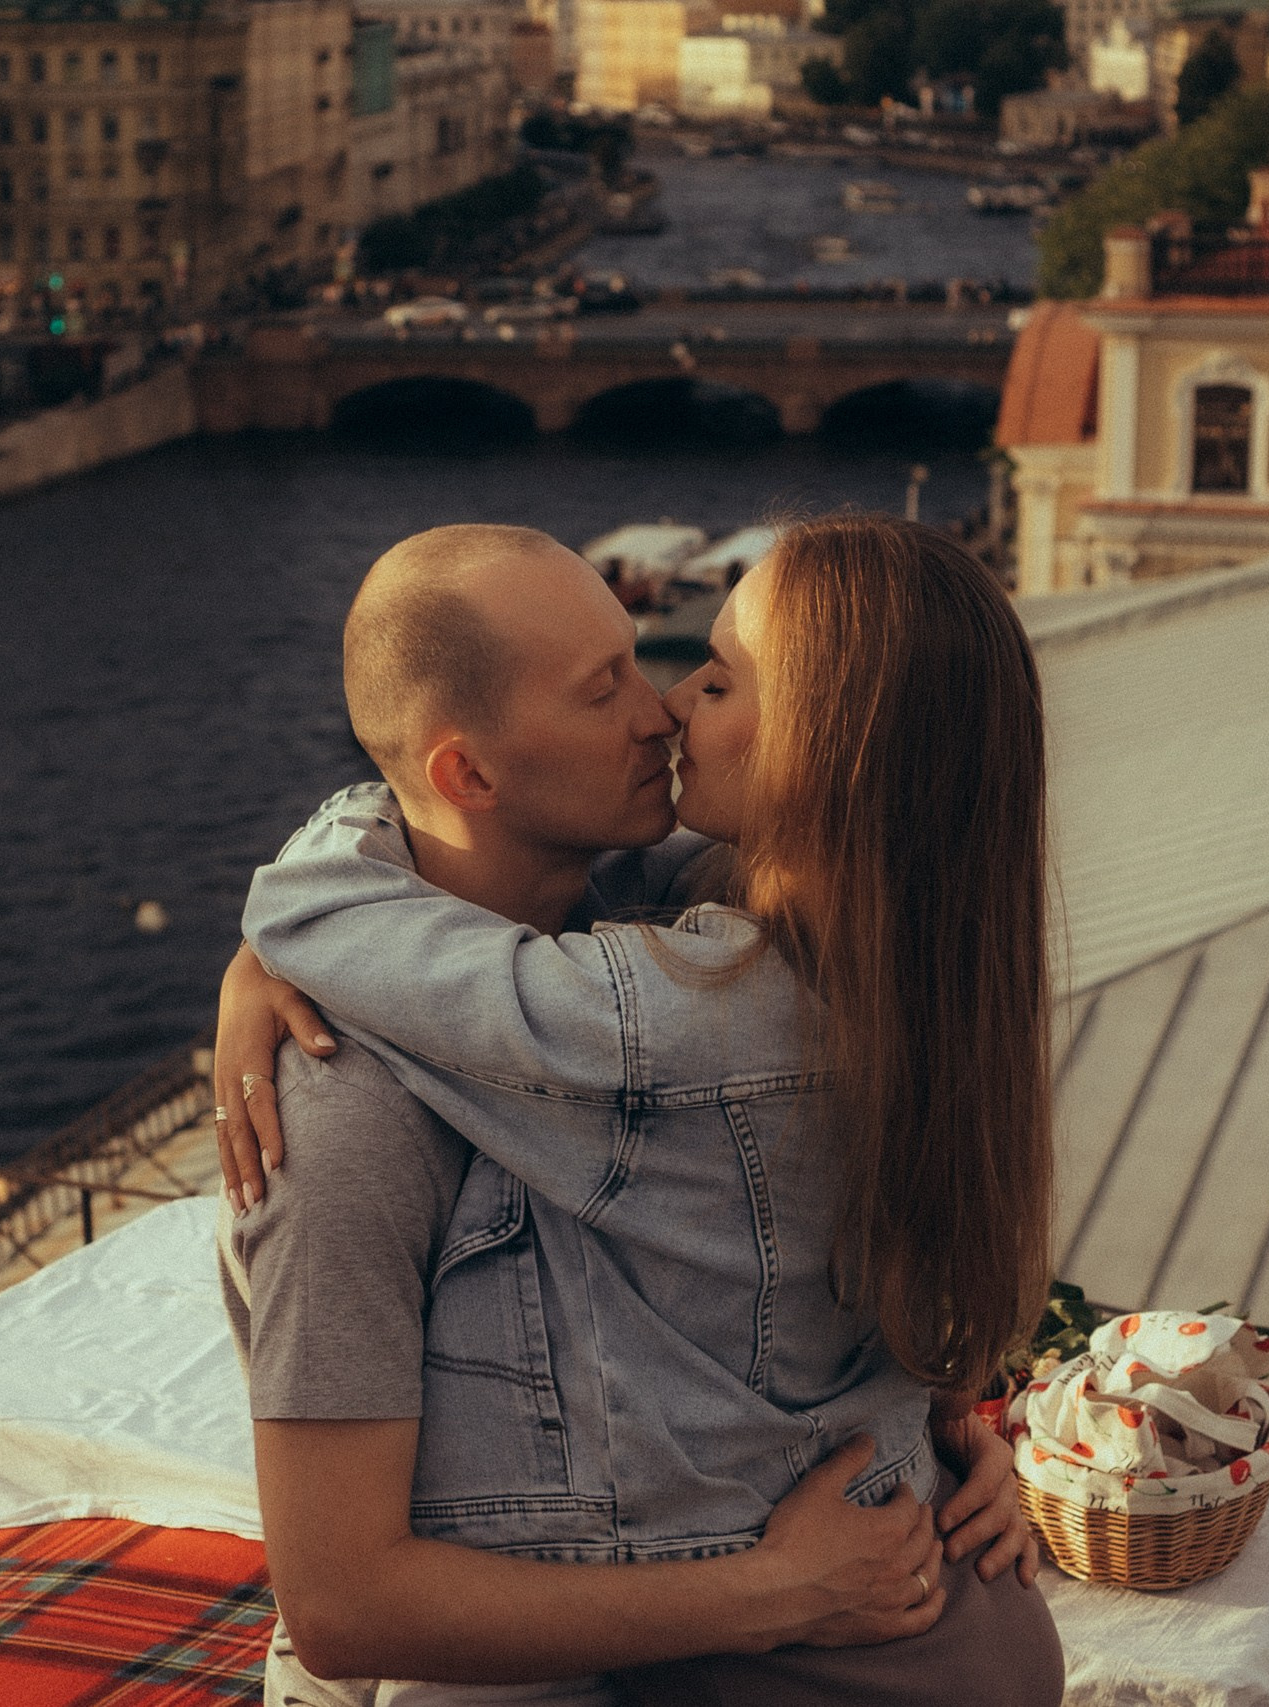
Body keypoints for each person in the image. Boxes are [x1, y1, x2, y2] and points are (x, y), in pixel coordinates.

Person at [213, 520, 1062, 1705]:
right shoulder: (343, 1105)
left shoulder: (686, 955)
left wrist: (934, 1432)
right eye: (603, 686)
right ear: (470, 775)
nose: (662, 710)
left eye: (690, 673)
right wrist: (780, 1589)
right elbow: (343, 1608)